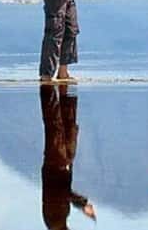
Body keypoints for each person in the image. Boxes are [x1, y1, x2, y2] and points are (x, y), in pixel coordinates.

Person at [40, 83, 97, 229]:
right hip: (66, 163)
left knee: (55, 126)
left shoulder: (54, 221)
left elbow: (61, 193)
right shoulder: (60, 222)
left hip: (55, 164)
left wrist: (82, 204)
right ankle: (68, 88)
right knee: (70, 125)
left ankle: (47, 88)